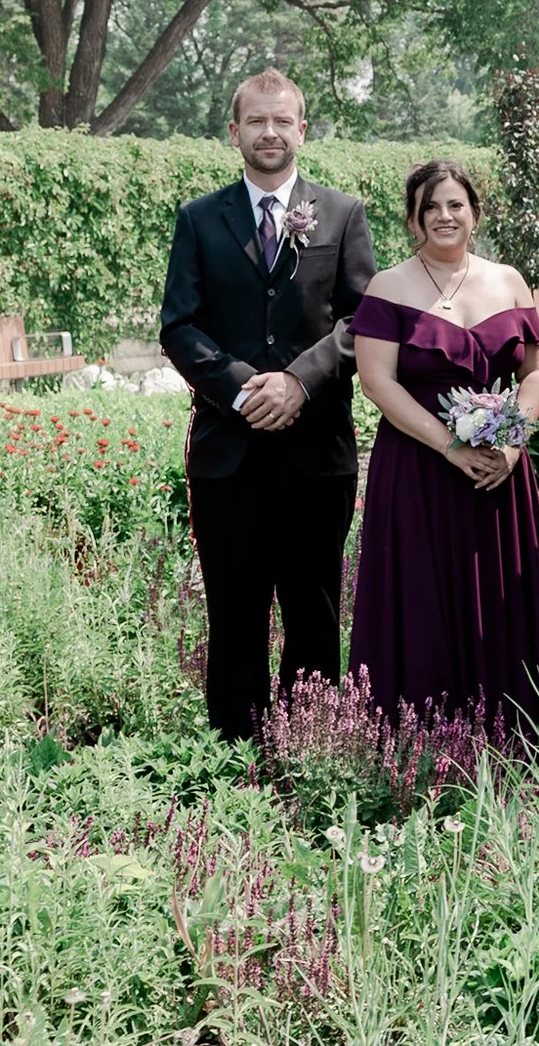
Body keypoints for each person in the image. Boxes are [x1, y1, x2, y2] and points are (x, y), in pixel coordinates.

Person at [159, 68, 378, 742]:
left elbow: (364, 318)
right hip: (229, 452)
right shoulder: (200, 218)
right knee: (235, 612)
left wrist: (299, 382)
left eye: (283, 120)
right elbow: (180, 325)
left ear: (302, 130)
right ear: (234, 132)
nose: (270, 131)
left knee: (313, 611)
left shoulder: (341, 214)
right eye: (257, 120)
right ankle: (237, 756)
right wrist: (244, 385)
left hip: (318, 452)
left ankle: (309, 747)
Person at [347, 161, 539, 730]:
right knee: (420, 595)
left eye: (455, 205)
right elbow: (377, 382)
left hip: (498, 471)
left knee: (499, 594)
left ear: (474, 213)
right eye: (431, 206)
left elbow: (535, 372)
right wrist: (449, 448)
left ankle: (508, 732)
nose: (444, 216)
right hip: (417, 467)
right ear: (413, 218)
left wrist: (512, 445)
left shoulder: (509, 281)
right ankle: (417, 737)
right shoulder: (388, 286)